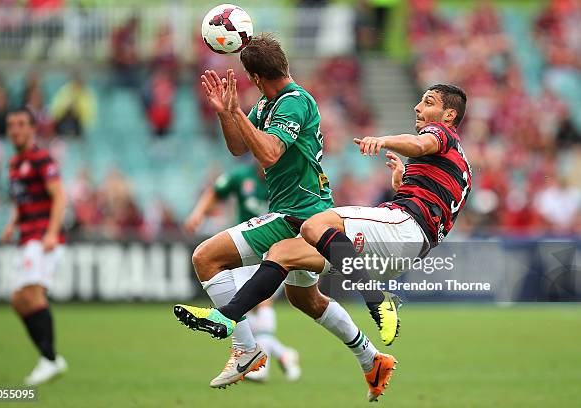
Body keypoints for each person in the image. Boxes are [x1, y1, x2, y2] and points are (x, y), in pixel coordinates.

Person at [176, 84, 472, 402]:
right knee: (284, 253)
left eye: (428, 102)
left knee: (316, 223)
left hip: (402, 230)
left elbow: (419, 142)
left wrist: (384, 140)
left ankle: (376, 300)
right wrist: (404, 184)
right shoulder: (460, 163)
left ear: (449, 114)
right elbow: (440, 204)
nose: (417, 107)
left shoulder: (442, 133)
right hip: (403, 246)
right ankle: (371, 361)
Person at [174, 34, 395, 393]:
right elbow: (237, 147)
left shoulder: (294, 102)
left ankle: (245, 349)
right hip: (307, 214)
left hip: (297, 214)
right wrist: (227, 113)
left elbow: (269, 154)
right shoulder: (265, 105)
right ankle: (372, 358)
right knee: (304, 299)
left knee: (205, 258)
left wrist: (238, 114)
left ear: (256, 78)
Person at [184, 162, 300, 382]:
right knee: (243, 307)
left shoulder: (286, 175)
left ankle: (260, 368)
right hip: (245, 250)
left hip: (276, 251)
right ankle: (283, 354)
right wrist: (198, 213)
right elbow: (216, 191)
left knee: (263, 302)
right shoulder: (241, 176)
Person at [1, 107, 68, 385]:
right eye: (11, 125)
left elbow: (60, 197)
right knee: (19, 300)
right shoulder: (15, 164)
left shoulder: (41, 158)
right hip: (27, 236)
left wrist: (51, 233)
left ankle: (50, 360)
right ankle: (49, 357)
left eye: (20, 124)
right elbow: (22, 200)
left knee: (33, 293)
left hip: (41, 238)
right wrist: (11, 223)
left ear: (31, 129)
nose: (15, 129)